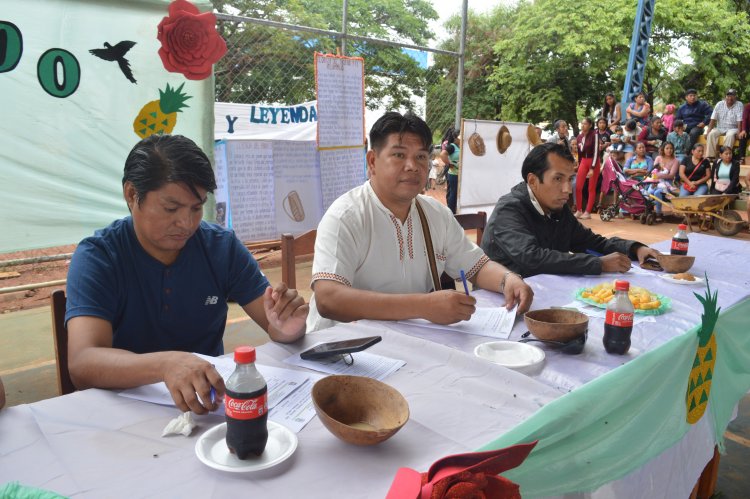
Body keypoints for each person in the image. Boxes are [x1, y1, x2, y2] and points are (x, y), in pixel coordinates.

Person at [66, 134, 308, 415]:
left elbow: (275, 325)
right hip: (126, 410)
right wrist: (166, 365)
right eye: (171, 208)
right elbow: (83, 362)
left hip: (206, 408)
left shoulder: (221, 248)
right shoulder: (100, 257)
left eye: (196, 208)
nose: (186, 223)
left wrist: (287, 327)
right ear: (132, 195)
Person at [307, 112, 534, 332]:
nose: (412, 166)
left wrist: (509, 280)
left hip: (407, 344)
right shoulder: (346, 216)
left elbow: (476, 266)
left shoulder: (436, 214)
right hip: (340, 350)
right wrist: (424, 306)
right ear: (372, 161)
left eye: (421, 157)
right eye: (399, 155)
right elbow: (328, 298)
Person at [480, 142, 660, 277]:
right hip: (502, 303)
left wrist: (635, 249)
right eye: (558, 179)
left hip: (547, 291)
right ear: (533, 181)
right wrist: (598, 264)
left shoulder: (558, 208)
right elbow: (533, 259)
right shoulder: (509, 209)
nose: (567, 189)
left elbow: (591, 242)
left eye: (570, 179)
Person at [574, 118, 601, 219]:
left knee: (591, 188)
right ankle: (579, 210)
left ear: (590, 125)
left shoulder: (595, 134)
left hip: (593, 162)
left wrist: (592, 168)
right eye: (582, 124)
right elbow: (579, 153)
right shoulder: (579, 137)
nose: (583, 125)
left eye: (585, 124)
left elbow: (596, 153)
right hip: (583, 162)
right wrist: (579, 165)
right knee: (578, 186)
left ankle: (588, 211)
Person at [705, 89, 743, 160]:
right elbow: (713, 118)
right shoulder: (719, 104)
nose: (730, 98)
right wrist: (708, 130)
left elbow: (739, 120)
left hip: (733, 128)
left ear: (735, 97)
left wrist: (739, 131)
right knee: (711, 134)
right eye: (728, 96)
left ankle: (725, 156)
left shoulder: (739, 104)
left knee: (730, 135)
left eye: (732, 96)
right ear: (725, 97)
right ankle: (710, 157)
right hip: (720, 128)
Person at [647, 142, 680, 222]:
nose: (669, 150)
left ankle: (658, 213)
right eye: (667, 148)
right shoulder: (658, 158)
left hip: (667, 184)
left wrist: (659, 175)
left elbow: (671, 175)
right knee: (649, 191)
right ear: (663, 149)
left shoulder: (675, 161)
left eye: (671, 148)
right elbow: (654, 171)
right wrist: (657, 177)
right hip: (656, 181)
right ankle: (649, 211)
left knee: (657, 193)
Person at [440, 128, 460, 214]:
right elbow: (442, 154)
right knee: (453, 193)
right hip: (454, 175)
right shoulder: (452, 146)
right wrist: (450, 164)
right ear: (455, 138)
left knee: (457, 194)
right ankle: (451, 213)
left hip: (460, 175)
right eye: (460, 137)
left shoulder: (461, 146)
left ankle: (456, 211)